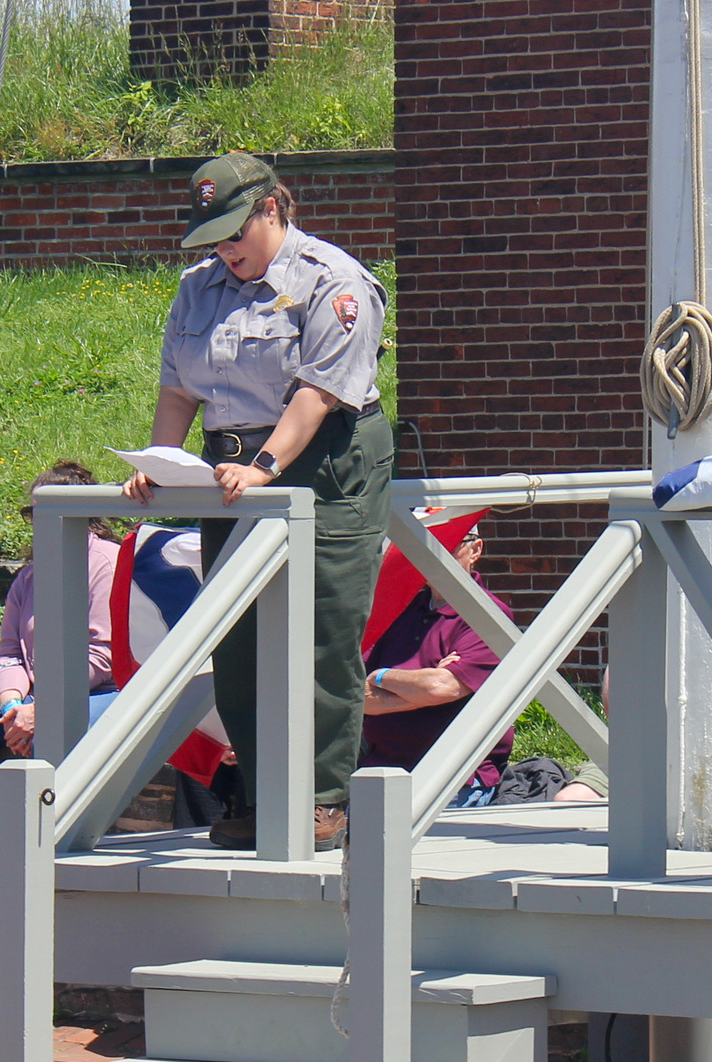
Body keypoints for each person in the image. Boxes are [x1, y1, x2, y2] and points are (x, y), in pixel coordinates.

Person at [123, 151, 392, 852]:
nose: (225, 248)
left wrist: (269, 466)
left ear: (272, 208)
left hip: (324, 460)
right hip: (232, 473)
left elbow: (319, 391)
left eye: (235, 231)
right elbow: (180, 389)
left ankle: (324, 798)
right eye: (212, 235)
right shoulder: (197, 289)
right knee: (236, 635)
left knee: (323, 629)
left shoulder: (333, 282)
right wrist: (161, 466)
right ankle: (267, 794)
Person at [0, 460, 121, 848]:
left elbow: (104, 657)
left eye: (43, 512)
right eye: (32, 513)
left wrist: (45, 708)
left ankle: (53, 857)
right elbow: (8, 653)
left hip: (100, 693)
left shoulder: (107, 565)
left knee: (52, 737)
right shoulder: (29, 576)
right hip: (29, 693)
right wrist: (12, 703)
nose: (36, 523)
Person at [361, 532, 514, 807]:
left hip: (454, 779)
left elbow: (440, 687)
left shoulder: (490, 615)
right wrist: (421, 688)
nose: (433, 558)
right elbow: (356, 696)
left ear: (475, 550)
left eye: (447, 546)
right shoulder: (397, 611)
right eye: (424, 548)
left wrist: (381, 676)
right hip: (378, 769)